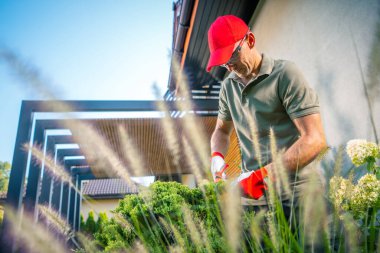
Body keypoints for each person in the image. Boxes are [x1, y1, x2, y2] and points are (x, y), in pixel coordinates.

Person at [208, 15, 327, 211]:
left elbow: (314, 139)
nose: (229, 66)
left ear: (250, 40)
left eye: (232, 56)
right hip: (255, 195)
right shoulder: (227, 87)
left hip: (297, 188)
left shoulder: (285, 74)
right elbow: (221, 131)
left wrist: (262, 176)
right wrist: (217, 155)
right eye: (223, 63)